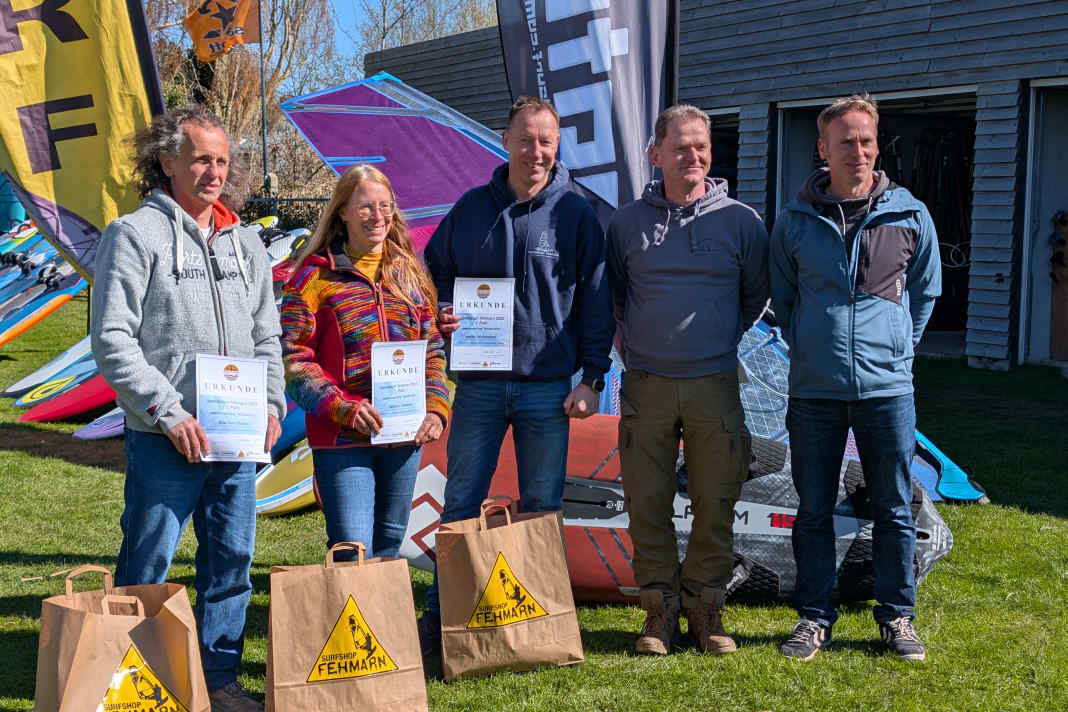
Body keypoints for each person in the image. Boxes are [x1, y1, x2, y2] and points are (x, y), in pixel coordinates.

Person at [90, 107, 285, 711]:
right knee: (148, 562)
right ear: (167, 162)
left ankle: (218, 679)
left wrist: (273, 404)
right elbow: (112, 338)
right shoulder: (134, 235)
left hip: (237, 441)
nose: (214, 172)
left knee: (231, 563)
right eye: (201, 158)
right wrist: (169, 412)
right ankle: (132, 682)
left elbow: (267, 336)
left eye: (223, 161)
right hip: (165, 439)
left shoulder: (248, 243)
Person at [418, 96, 613, 654]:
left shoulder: (577, 214)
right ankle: (445, 616)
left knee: (542, 508)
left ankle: (541, 621)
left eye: (546, 140)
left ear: (557, 145)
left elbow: (597, 303)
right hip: (478, 386)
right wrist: (441, 314)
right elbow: (431, 280)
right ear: (505, 141)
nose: (536, 151)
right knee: (460, 505)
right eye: (525, 139)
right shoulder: (471, 207)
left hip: (547, 387)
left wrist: (592, 377)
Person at [770, 94, 942, 662]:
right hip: (815, 390)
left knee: (893, 506)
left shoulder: (910, 214)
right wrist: (816, 350)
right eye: (845, 141)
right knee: (814, 508)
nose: (858, 151)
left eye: (866, 140)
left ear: (877, 144)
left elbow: (925, 291)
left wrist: (896, 350)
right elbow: (785, 297)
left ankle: (897, 616)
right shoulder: (795, 219)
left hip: (887, 390)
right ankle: (815, 617)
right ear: (823, 149)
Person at [606, 105, 769, 655]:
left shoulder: (742, 223)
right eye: (680, 147)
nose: (692, 157)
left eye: (701, 147)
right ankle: (658, 615)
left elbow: (754, 297)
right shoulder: (626, 223)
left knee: (715, 500)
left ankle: (707, 612)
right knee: (646, 501)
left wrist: (714, 338)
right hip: (646, 385)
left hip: (714, 385)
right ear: (656, 155)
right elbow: (616, 296)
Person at [280, 164, 450, 561]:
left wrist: (438, 410)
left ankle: (385, 625)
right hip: (342, 439)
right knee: (352, 550)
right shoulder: (311, 279)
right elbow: (293, 361)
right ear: (342, 211)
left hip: (403, 436)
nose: (378, 217)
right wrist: (344, 408)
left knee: (391, 549)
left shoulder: (409, 273)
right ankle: (351, 623)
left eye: (385, 206)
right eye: (365, 208)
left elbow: (432, 351)